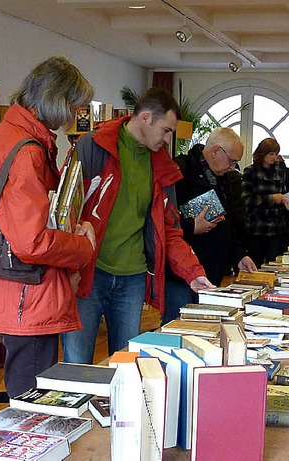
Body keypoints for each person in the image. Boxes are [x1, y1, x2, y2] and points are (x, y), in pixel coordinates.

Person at [0, 56, 96, 398]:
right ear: (56, 99)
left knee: (25, 389)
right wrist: (83, 246)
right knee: (33, 402)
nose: (73, 115)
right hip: (28, 293)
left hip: (12, 290)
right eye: (73, 104)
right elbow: (31, 241)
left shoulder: (9, 135)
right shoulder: (28, 151)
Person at [62, 87, 213, 364]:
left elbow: (169, 229)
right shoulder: (92, 146)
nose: (169, 139)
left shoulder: (162, 166)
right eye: (166, 130)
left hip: (132, 279)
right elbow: (63, 208)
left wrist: (192, 272)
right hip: (88, 274)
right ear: (145, 118)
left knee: (126, 367)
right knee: (76, 363)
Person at [162, 127, 257, 325]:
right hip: (180, 275)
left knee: (205, 328)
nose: (233, 167)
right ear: (215, 151)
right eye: (231, 161)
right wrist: (191, 227)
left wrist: (239, 255)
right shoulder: (179, 171)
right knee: (177, 325)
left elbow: (229, 225)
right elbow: (163, 220)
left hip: (212, 271)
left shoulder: (228, 181)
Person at [242, 137, 288, 267]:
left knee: (273, 265)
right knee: (255, 264)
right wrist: (271, 198)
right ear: (262, 154)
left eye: (275, 154)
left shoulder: (280, 171)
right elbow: (246, 199)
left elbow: (283, 195)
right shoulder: (250, 171)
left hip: (276, 226)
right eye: (270, 154)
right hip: (257, 226)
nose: (274, 157)